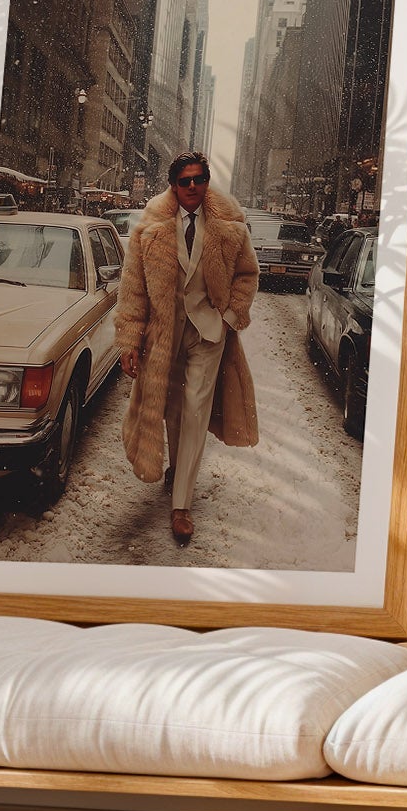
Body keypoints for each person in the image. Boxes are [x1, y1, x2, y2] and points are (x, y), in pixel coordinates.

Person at [115, 151, 259, 545]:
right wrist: (129, 338)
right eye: (184, 181)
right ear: (173, 185)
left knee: (195, 408)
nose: (192, 187)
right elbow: (134, 288)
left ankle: (181, 506)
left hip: (209, 332)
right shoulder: (151, 225)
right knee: (174, 411)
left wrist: (230, 319)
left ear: (207, 181)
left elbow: (248, 274)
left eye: (199, 179)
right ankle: (178, 470)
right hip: (166, 333)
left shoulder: (230, 223)